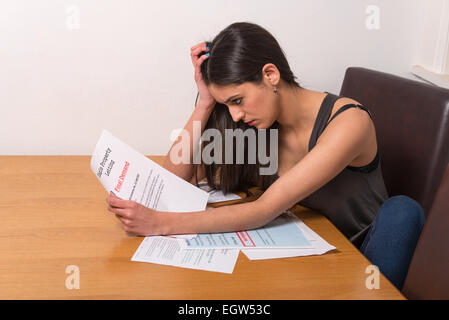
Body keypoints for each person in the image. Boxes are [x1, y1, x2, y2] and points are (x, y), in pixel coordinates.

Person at [105, 22, 420, 269]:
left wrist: (160, 224)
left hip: (356, 255)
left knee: (404, 211)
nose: (236, 114)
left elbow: (264, 209)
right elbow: (171, 183)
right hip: (307, 251)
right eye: (226, 104)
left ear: (270, 74)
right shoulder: (258, 129)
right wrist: (203, 104)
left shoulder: (349, 122)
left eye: (238, 100)